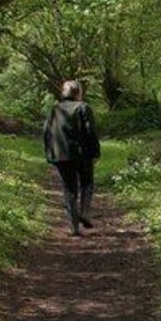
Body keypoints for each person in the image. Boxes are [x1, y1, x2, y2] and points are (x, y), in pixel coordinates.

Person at [44, 80, 101, 236]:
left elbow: (47, 132)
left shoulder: (54, 109)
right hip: (83, 154)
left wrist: (49, 153)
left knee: (69, 189)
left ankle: (73, 227)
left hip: (62, 155)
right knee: (87, 183)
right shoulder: (84, 107)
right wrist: (95, 152)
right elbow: (91, 131)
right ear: (78, 93)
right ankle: (85, 212)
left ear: (64, 93)